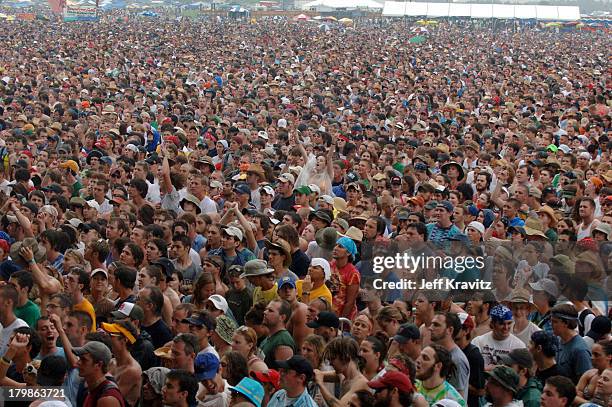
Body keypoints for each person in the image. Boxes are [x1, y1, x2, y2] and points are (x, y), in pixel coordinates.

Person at [72, 341, 126, 407]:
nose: (78, 363)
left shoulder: (107, 399)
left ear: (99, 365)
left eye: (84, 360)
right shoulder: (92, 390)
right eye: (80, 358)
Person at [471, 305, 526, 370]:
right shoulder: (478, 341)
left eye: (509, 323)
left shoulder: (519, 346)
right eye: (501, 324)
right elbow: (472, 368)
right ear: (492, 324)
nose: (506, 327)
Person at [101, 320, 142, 407]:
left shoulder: (132, 371)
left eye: (111, 335)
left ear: (124, 340)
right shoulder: (112, 362)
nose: (107, 338)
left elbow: (111, 397)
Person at [551, 303, 593, 383]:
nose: (551, 325)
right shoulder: (559, 340)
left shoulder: (580, 350)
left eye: (555, 322)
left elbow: (585, 382)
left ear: (566, 323)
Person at [260, 299, 296, 369]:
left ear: (282, 317)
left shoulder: (283, 341)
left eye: (270, 311)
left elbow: (283, 374)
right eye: (266, 309)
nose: (265, 312)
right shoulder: (271, 336)